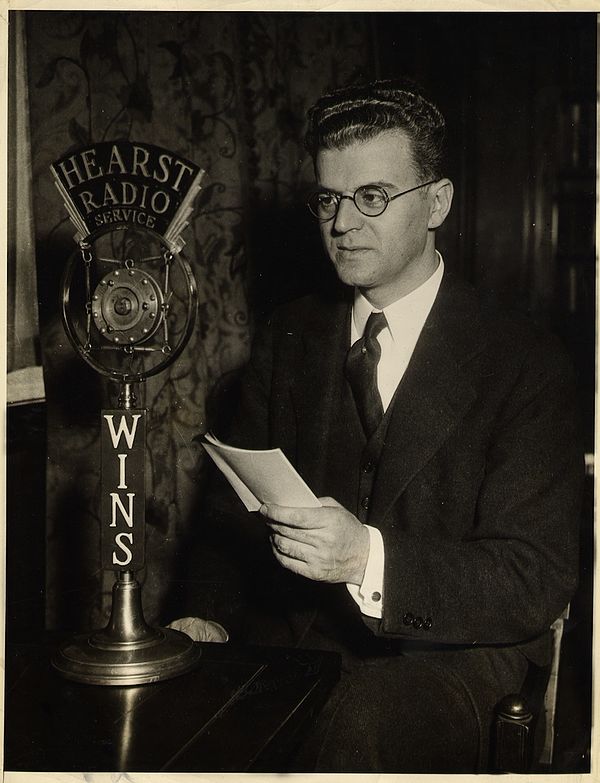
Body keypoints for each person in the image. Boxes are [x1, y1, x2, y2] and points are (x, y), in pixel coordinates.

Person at [170, 79, 582, 772]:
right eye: (328, 199)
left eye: (371, 197)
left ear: (437, 203)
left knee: (358, 722)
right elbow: (225, 519)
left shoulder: (526, 359)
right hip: (293, 650)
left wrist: (366, 558)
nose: (341, 224)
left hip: (452, 659)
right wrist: (204, 615)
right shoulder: (291, 336)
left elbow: (531, 577)